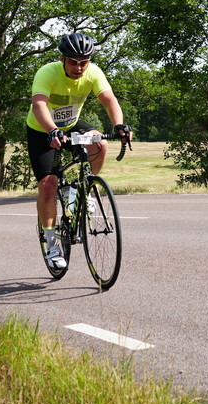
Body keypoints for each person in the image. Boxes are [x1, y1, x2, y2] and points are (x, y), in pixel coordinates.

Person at [26, 33, 132, 269]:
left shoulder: (93, 72)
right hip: (42, 129)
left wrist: (119, 125)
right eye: (73, 61)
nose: (79, 67)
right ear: (62, 58)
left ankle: (87, 190)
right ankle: (52, 245)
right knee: (48, 185)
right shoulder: (47, 72)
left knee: (100, 143)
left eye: (84, 61)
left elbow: (108, 99)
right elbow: (39, 104)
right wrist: (52, 130)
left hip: (72, 125)